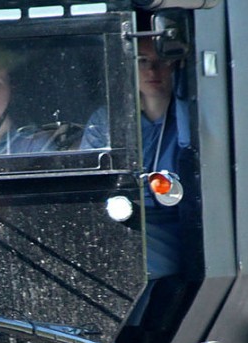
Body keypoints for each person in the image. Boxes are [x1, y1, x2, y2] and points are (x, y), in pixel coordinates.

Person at [81, 37, 188, 323]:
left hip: (169, 228)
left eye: (162, 61)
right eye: (142, 61)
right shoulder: (107, 120)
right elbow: (89, 183)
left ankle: (120, 339)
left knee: (130, 258)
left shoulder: (188, 119)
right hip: (114, 225)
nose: (153, 71)